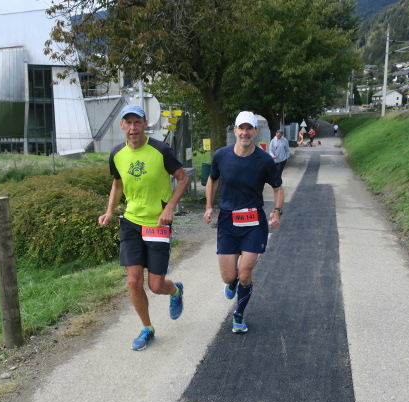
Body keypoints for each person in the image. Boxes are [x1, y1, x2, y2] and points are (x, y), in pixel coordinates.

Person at [99, 104, 190, 350]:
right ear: (122, 126)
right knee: (133, 281)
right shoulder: (117, 154)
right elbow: (117, 184)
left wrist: (170, 207)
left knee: (156, 286)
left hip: (157, 224)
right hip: (130, 222)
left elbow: (183, 178)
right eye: (128, 123)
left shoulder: (161, 150)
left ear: (145, 124)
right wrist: (109, 211)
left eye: (137, 122)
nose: (133, 127)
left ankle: (175, 291)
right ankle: (147, 328)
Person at [203, 111, 285, 334]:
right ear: (235, 130)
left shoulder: (264, 160)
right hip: (228, 220)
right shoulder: (221, 155)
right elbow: (212, 180)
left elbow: (278, 188)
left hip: (253, 221)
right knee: (230, 276)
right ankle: (232, 282)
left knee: (246, 272)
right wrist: (209, 206)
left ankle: (238, 315)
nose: (245, 133)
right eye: (242, 128)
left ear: (256, 131)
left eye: (250, 128)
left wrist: (277, 211)